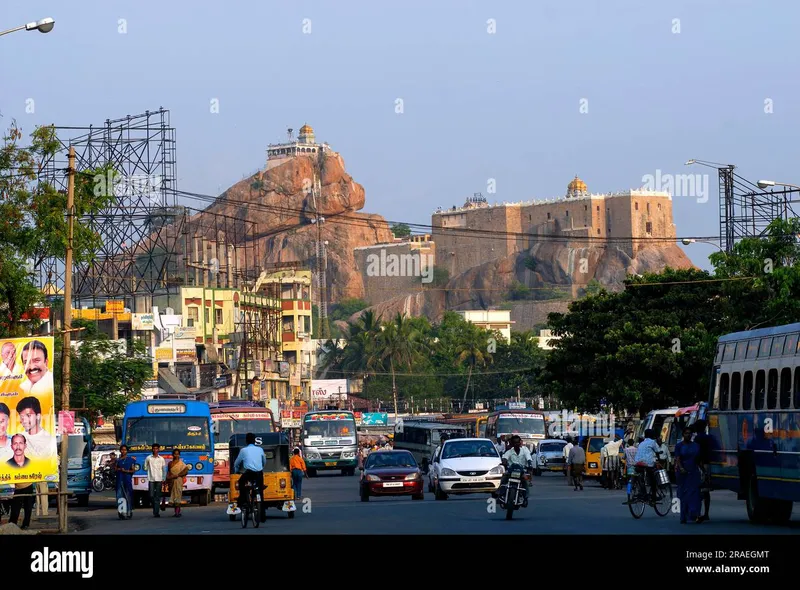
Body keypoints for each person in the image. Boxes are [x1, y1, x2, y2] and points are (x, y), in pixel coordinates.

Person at [233, 433, 266, 520]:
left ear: (246, 441)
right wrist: (261, 467)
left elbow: (236, 463)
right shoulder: (260, 449)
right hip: (259, 473)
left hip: (249, 473)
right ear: (254, 440)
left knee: (241, 482)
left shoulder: (243, 450)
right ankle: (262, 516)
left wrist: (236, 470)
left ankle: (243, 501)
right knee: (260, 491)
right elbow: (264, 461)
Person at [674, 427, 702, 524]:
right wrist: (681, 468)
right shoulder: (679, 446)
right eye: (686, 433)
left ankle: (695, 515)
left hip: (694, 471)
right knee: (684, 494)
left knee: (695, 494)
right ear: (683, 435)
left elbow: (699, 460)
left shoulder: (696, 446)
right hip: (683, 473)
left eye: (690, 433)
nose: (688, 435)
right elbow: (677, 458)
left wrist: (703, 471)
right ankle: (683, 517)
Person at [499, 435, 533, 501]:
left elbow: (529, 458)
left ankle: (525, 497)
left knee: (525, 482)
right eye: (514, 443)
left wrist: (530, 465)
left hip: (521, 470)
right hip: (511, 470)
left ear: (520, 443)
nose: (516, 444)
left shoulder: (525, 450)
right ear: (512, 444)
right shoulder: (509, 451)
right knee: (503, 479)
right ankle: (501, 494)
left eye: (517, 442)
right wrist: (504, 462)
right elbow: (505, 457)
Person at [633, 429, 661, 501]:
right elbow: (658, 450)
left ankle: (643, 494)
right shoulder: (652, 442)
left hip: (637, 463)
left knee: (641, 479)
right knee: (653, 480)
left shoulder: (641, 443)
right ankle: (654, 496)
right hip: (647, 464)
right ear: (652, 435)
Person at [693, 420, 712, 521]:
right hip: (708, 464)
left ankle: (698, 512)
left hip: (700, 465)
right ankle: (706, 513)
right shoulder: (709, 437)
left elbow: (697, 452)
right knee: (706, 491)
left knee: (698, 490)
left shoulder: (697, 438)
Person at [143, 443, 166, 517]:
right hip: (151, 478)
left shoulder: (161, 459)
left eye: (156, 448)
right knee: (151, 495)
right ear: (152, 449)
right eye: (154, 448)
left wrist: (164, 478)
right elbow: (145, 467)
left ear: (158, 449)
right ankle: (156, 506)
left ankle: (156, 512)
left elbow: (163, 469)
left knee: (157, 496)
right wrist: (148, 470)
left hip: (159, 479)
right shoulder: (148, 458)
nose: (155, 450)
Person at [166, 449, 189, 517]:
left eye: (177, 454)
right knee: (173, 496)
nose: (176, 455)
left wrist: (178, 475)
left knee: (178, 496)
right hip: (171, 481)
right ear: (172, 455)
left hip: (178, 480)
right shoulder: (170, 463)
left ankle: (177, 512)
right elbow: (169, 472)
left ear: (179, 455)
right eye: (175, 454)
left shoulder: (181, 463)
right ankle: (175, 511)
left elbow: (186, 471)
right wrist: (167, 478)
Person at [115, 445, 135, 519]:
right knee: (120, 495)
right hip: (119, 479)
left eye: (125, 450)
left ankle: (129, 511)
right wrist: (119, 469)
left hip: (127, 479)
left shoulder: (130, 460)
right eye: (122, 450)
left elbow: (133, 470)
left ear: (127, 451)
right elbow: (115, 469)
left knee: (128, 495)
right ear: (120, 451)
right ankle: (121, 512)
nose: (123, 451)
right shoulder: (118, 460)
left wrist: (126, 471)